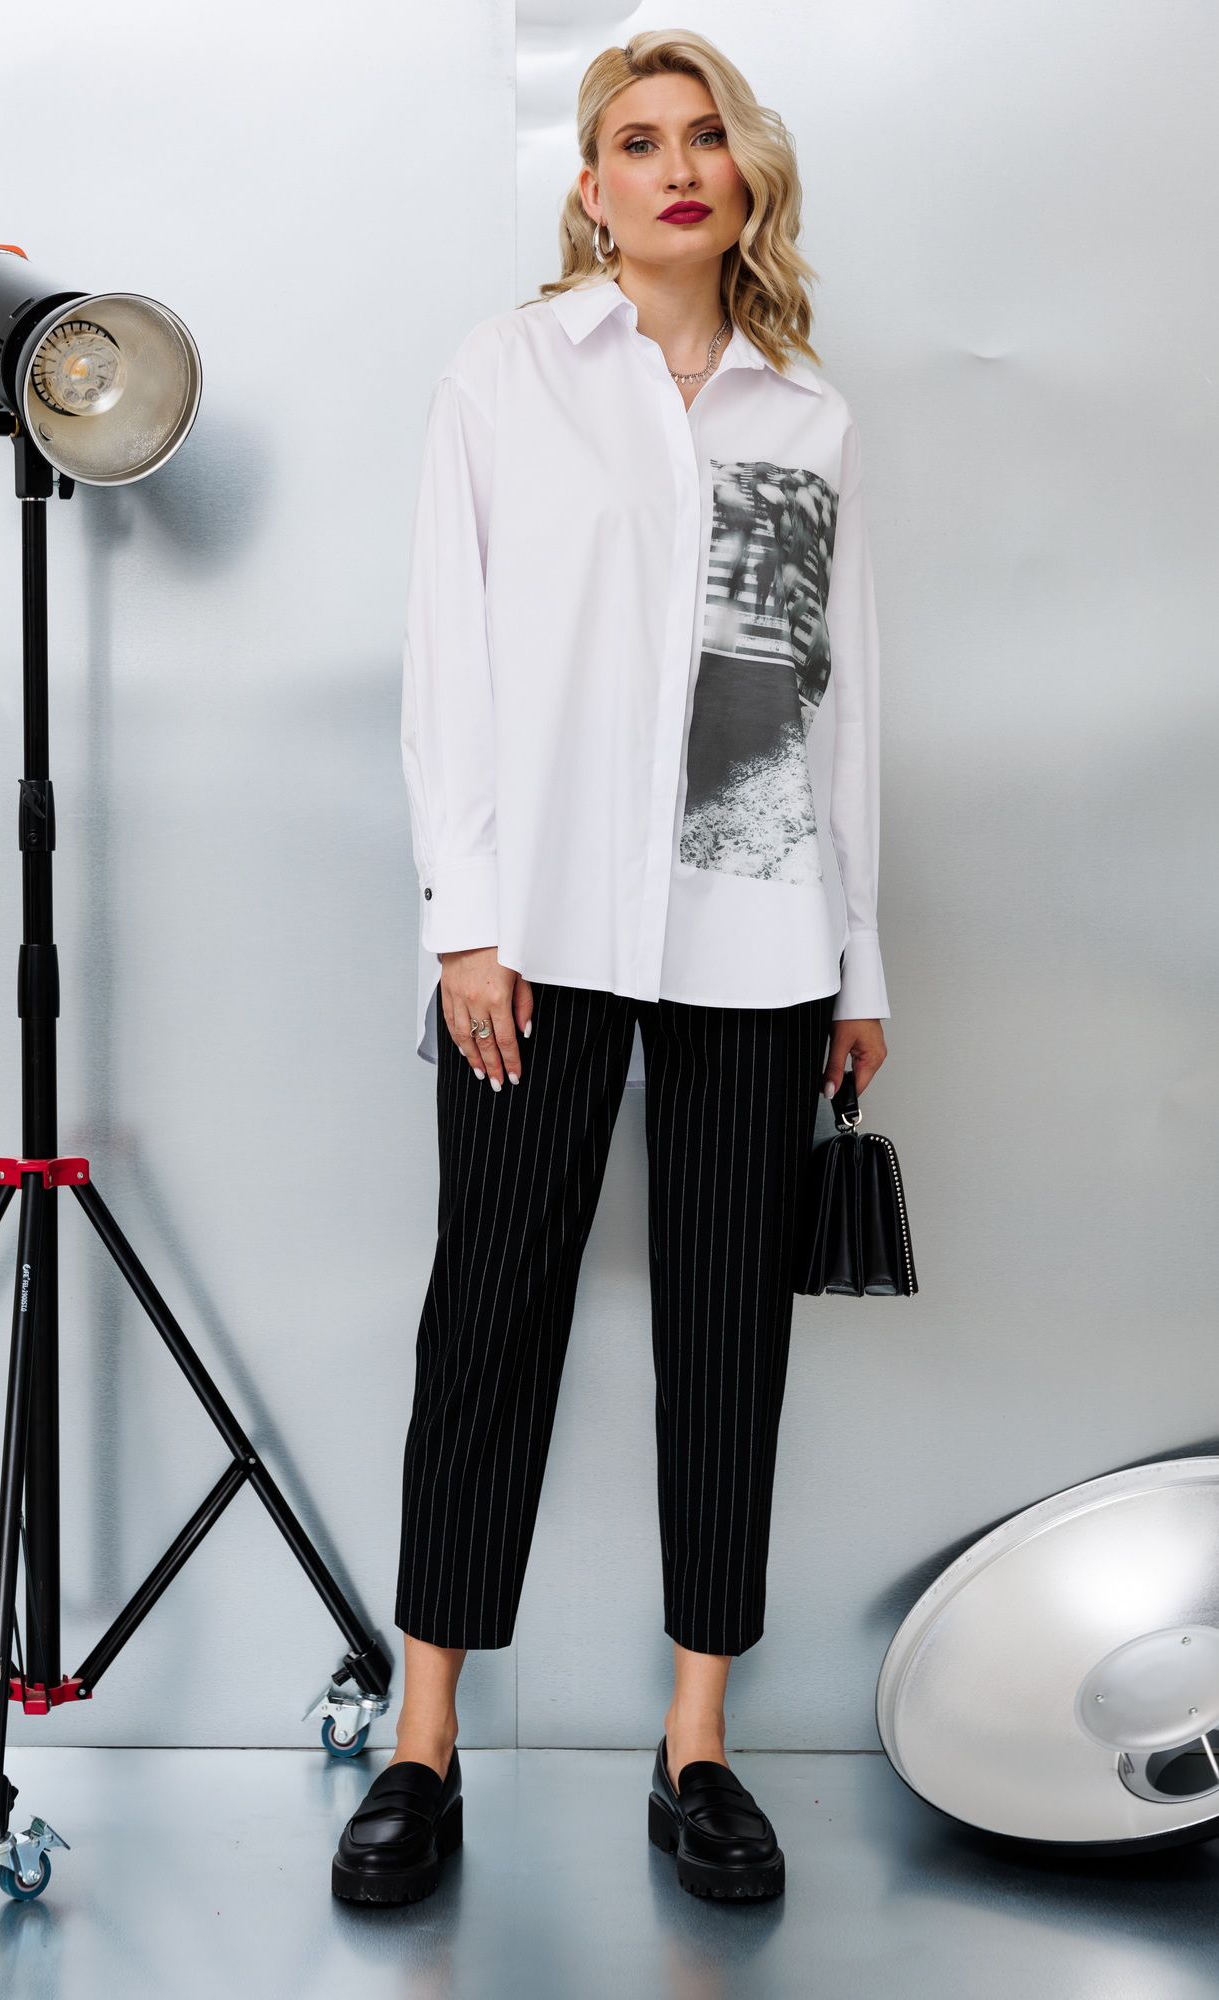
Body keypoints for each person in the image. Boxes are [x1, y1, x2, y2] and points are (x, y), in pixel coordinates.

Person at [332, 27, 890, 1907]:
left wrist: (855, 958)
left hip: (749, 919)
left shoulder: (799, 416)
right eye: (635, 141)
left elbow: (810, 708)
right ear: (588, 190)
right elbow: (453, 658)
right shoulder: (511, 374)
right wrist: (464, 922)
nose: (674, 166)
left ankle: (696, 1744)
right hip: (541, 930)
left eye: (702, 136)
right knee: (487, 1313)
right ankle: (421, 1742)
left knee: (727, 1331)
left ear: (743, 176)